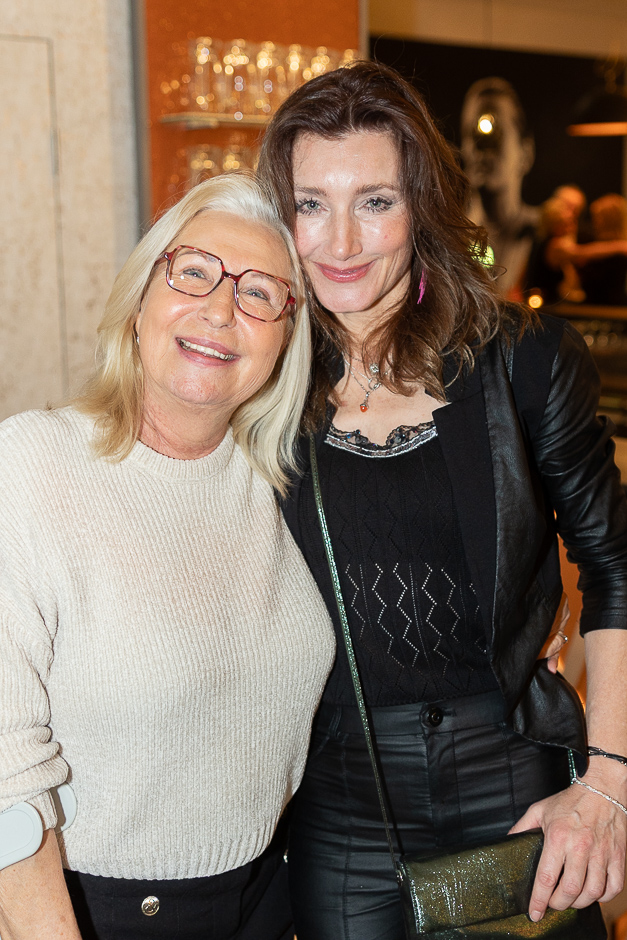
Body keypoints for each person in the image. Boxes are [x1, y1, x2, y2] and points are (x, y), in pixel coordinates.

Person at [257, 61, 627, 940]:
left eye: (374, 201)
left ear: (420, 205)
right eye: (311, 204)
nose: (341, 241)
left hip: (512, 780)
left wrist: (609, 781)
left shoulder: (522, 360)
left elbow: (614, 565)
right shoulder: (260, 380)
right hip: (335, 805)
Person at [0, 174, 335, 940]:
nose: (220, 309)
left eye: (259, 294)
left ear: (286, 340)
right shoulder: (31, 465)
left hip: (268, 902)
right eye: (193, 272)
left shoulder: (283, 487)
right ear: (140, 299)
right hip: (89, 913)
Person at [460, 77, 539, 299]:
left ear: (526, 153)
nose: (482, 148)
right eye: (472, 134)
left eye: (498, 134)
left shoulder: (540, 234)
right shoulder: (450, 238)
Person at [525, 192, 627, 306]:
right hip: (546, 305)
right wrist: (619, 246)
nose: (572, 228)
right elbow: (580, 253)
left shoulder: (547, 242)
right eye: (566, 224)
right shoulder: (555, 245)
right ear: (555, 225)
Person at [580, 194, 627, 305]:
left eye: (598, 217)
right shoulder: (593, 242)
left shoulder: (619, 249)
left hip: (609, 307)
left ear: (609, 219)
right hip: (595, 306)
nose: (594, 222)